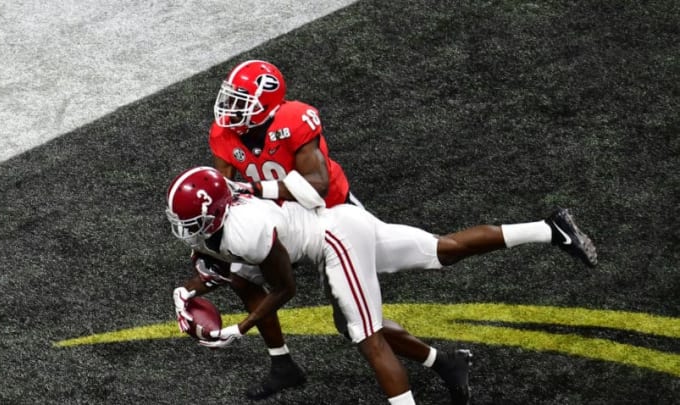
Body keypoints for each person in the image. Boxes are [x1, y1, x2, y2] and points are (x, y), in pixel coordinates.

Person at [166, 166, 598, 405]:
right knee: (441, 250)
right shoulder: (228, 221)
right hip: (341, 223)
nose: (185, 230)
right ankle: (550, 229)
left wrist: (237, 330)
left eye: (190, 222)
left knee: (366, 336)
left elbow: (284, 289)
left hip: (336, 241)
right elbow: (221, 269)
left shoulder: (245, 231)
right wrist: (187, 293)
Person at [203, 59, 474, 403]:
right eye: (231, 97)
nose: (231, 107)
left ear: (267, 103)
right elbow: (225, 190)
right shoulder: (224, 133)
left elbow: (315, 188)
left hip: (330, 218)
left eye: (242, 100)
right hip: (285, 219)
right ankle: (282, 363)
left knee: (353, 326)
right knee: (243, 277)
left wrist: (258, 194)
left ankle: (444, 362)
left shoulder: (293, 121)